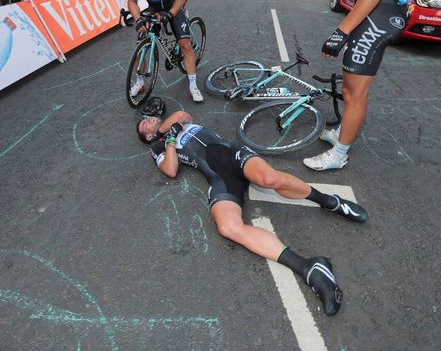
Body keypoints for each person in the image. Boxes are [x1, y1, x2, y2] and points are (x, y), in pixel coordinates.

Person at [136, 105, 369, 316]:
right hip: (218, 177)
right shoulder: (157, 146)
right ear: (147, 137)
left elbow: (182, 115)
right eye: (142, 126)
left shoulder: (176, 120)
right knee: (227, 227)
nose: (146, 121)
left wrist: (169, 128)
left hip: (233, 155)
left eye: (147, 119)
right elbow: (170, 170)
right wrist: (167, 140)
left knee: (269, 178)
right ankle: (310, 268)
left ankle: (330, 201)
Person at [296, 0, 421, 171]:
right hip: (378, 5)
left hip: (381, 7)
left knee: (354, 91)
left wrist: (343, 29)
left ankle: (339, 154)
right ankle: (343, 134)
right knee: (351, 83)